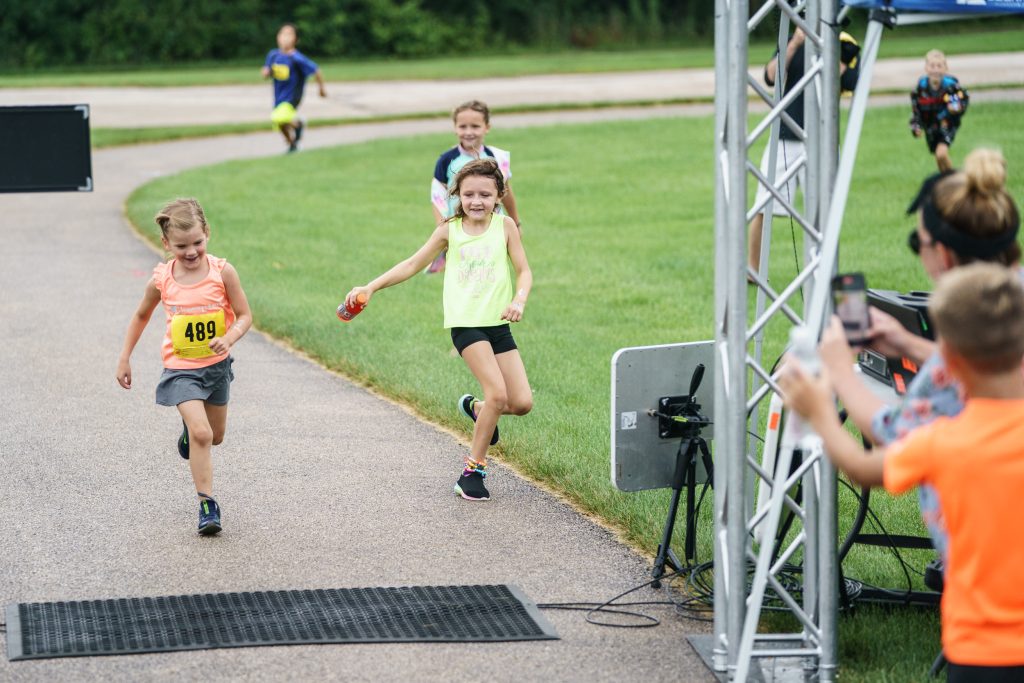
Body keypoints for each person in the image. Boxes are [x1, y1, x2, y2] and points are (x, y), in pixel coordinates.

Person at [781, 262, 1024, 681]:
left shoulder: (944, 441)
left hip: (983, 649)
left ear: (948, 366)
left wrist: (822, 408)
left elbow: (861, 466)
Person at [815, 147, 1020, 559]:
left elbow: (890, 440)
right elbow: (979, 367)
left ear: (941, 253)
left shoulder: (944, 440)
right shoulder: (1008, 312)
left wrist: (838, 373)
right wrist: (909, 344)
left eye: (918, 241)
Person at [345, 159, 532, 501]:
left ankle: (477, 409)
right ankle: (472, 472)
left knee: (520, 403)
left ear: (499, 196)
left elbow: (524, 271)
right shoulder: (450, 230)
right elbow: (412, 264)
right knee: (499, 395)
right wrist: (370, 287)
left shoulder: (505, 227)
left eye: (485, 195)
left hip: (499, 325)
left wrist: (518, 300)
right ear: (457, 195)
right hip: (466, 325)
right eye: (469, 194)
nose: (477, 201)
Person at [116, 198, 253, 535]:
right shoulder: (163, 279)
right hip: (180, 369)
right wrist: (125, 356)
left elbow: (246, 315)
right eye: (181, 246)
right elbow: (141, 315)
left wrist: (230, 337)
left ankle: (189, 435)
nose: (191, 252)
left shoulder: (223, 272)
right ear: (165, 244)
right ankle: (208, 505)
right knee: (203, 433)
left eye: (197, 243)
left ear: (207, 233)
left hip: (216, 367)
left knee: (215, 436)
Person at [748, 28, 860, 275]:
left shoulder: (842, 42)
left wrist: (840, 59)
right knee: (763, 205)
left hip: (822, 141)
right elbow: (769, 77)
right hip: (785, 137)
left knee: (824, 210)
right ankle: (752, 269)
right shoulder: (792, 40)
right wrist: (795, 42)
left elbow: (850, 83)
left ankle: (822, 267)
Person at [426, 100, 521, 273]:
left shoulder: (497, 157)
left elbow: (506, 192)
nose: (469, 132)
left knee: (490, 274)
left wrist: (516, 223)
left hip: (492, 229)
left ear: (487, 127)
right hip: (460, 230)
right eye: (463, 126)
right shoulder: (446, 160)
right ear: (455, 128)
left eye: (475, 126)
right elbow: (437, 197)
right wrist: (443, 231)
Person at [261, 23, 327, 153]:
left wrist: (321, 89)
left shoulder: (297, 58)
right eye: (282, 34)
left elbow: (316, 70)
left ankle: (298, 126)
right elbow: (266, 71)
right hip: (278, 96)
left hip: (292, 96)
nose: (285, 37)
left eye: (289, 34)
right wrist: (266, 73)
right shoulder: (273, 55)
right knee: (280, 123)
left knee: (278, 118)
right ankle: (293, 144)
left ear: (296, 39)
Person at [910, 50, 969, 173]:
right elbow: (916, 111)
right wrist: (916, 126)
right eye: (932, 66)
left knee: (941, 153)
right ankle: (947, 181)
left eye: (939, 66)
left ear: (945, 68)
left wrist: (957, 108)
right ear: (926, 68)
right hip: (930, 127)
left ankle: (954, 181)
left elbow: (963, 101)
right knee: (938, 157)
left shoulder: (951, 87)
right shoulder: (920, 89)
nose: (935, 70)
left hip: (947, 124)